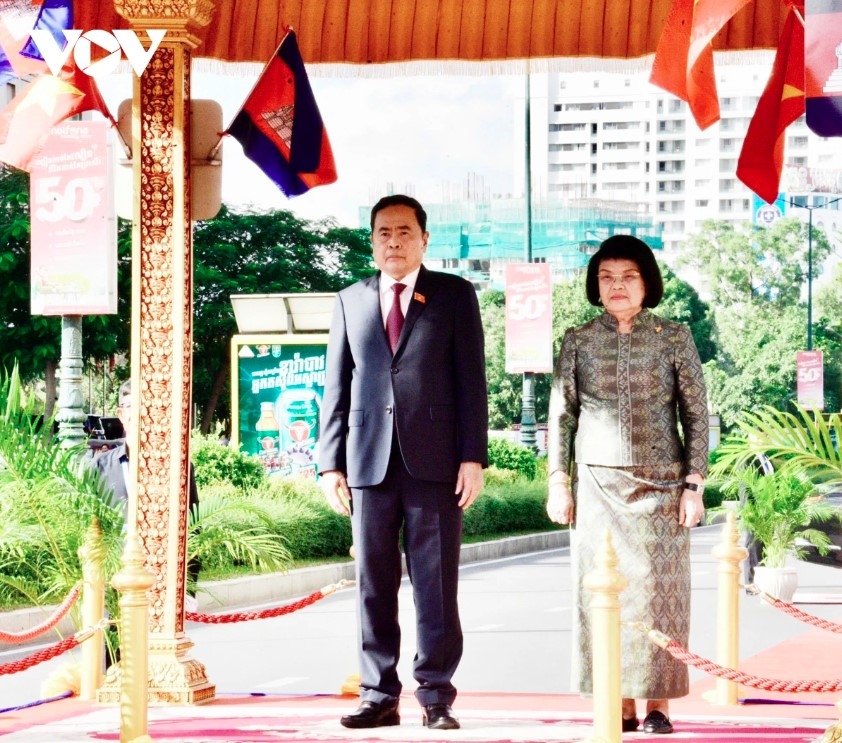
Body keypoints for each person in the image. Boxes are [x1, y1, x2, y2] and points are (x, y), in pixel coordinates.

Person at [318, 194, 488, 731]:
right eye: (384, 233)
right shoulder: (350, 300)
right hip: (367, 463)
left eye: (405, 232)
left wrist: (472, 456)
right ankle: (378, 694)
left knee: (435, 586)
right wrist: (329, 463)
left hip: (436, 464)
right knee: (373, 583)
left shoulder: (454, 296)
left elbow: (471, 382)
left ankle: (436, 696)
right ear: (372, 241)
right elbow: (335, 386)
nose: (394, 241)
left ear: (424, 239)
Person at [546, 235, 708, 736]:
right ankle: (616, 703)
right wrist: (559, 481)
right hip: (596, 489)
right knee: (603, 595)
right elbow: (561, 415)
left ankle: (658, 705)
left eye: (628, 276)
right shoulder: (576, 339)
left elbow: (697, 414)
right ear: (597, 286)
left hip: (662, 490)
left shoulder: (675, 336)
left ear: (647, 283)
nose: (617, 286)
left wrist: (693, 484)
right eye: (607, 277)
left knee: (659, 595)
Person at [86, 380, 200, 608]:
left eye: (145, 405)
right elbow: (89, 530)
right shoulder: (100, 467)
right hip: (116, 583)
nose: (138, 412)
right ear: (120, 413)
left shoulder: (177, 466)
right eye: (130, 406)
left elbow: (193, 526)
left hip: (161, 583)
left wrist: (188, 590)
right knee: (119, 643)